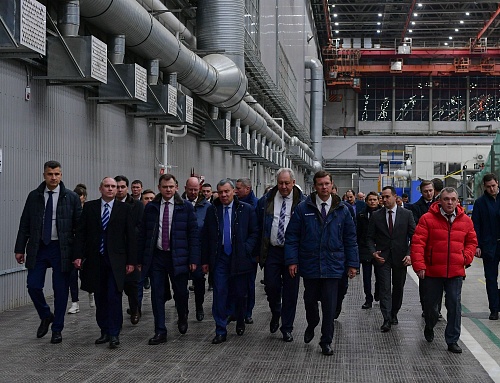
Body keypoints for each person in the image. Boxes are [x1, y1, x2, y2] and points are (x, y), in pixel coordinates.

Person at [285, 170, 359, 356]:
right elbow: (292, 236)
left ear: (332, 185)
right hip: (310, 263)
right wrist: (292, 260)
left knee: (329, 305)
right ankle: (312, 322)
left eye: (327, 184)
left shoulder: (343, 210)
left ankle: (326, 341)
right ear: (315, 186)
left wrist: (352, 264)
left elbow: (350, 239)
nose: (324, 187)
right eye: (320, 184)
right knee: (310, 301)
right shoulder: (303, 208)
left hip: (334, 265)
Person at [14, 160, 82, 344]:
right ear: (44, 175)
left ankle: (57, 329)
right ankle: (45, 314)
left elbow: (79, 228)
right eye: (50, 174)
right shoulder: (34, 196)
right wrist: (19, 248)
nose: (54, 177)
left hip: (61, 249)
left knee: (60, 290)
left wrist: (78, 254)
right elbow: (24, 223)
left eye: (57, 174)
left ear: (61, 175)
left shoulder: (71, 197)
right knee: (33, 285)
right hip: (39, 247)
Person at [411, 187, 477, 353]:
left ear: (457, 201)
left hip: (455, 272)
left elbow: (472, 241)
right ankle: (429, 324)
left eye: (453, 199)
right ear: (439, 200)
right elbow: (418, 243)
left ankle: (452, 340)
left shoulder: (465, 221)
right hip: (432, 272)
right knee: (431, 306)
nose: (449, 202)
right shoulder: (427, 219)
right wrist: (419, 266)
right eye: (446, 199)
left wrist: (465, 257)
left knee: (454, 305)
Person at [74, 177, 136, 349]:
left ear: (117, 190)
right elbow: (81, 233)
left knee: (114, 296)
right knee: (100, 297)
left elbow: (130, 236)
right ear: (100, 188)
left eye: (113, 187)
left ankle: (115, 333)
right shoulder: (90, 208)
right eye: (107, 186)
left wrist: (132, 260)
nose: (110, 189)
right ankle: (104, 331)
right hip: (96, 260)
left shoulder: (124, 209)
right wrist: (78, 255)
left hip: (116, 260)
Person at [138, 174, 199, 345]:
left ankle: (182, 315)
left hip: (178, 257)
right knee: (157, 294)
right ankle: (160, 331)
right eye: (165, 187)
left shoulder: (185, 207)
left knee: (181, 292)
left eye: (171, 187)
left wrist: (194, 259)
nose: (168, 190)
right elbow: (143, 234)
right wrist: (140, 259)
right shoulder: (151, 207)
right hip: (157, 256)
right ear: (159, 188)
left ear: (177, 187)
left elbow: (193, 235)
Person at [201, 179, 258, 344]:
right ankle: (220, 329)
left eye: (227, 191)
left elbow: (254, 232)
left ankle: (240, 318)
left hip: (239, 258)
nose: (224, 195)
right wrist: (205, 260)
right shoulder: (213, 211)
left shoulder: (246, 210)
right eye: (221, 192)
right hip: (220, 258)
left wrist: (246, 248)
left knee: (240, 293)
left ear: (234, 191)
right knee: (219, 292)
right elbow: (206, 236)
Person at [256, 168, 305, 342]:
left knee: (291, 291)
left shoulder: (303, 203)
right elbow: (258, 227)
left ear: (293, 182)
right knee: (271, 286)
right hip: (272, 251)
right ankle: (276, 311)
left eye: (286, 183)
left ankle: (287, 327)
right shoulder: (265, 201)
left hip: (293, 252)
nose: (283, 186)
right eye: (280, 183)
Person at [367, 186, 415, 332]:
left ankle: (394, 313)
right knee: (385, 288)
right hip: (383, 258)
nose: (384, 200)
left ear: (395, 197)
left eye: (387, 197)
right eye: (383, 197)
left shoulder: (406, 214)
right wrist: (373, 252)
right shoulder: (376, 215)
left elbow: (415, 237)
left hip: (400, 257)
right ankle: (386, 318)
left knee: (398, 287)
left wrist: (409, 253)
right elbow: (369, 237)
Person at [115, 175, 144, 325]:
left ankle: (135, 309)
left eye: (122, 187)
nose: (119, 190)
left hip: (131, 250)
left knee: (132, 285)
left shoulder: (137, 206)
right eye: (117, 187)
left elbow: (140, 227)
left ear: (127, 188)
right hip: (114, 250)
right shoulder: (110, 204)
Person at [472, 173, 500, 320]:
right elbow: (475, 225)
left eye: (493, 186)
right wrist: (476, 245)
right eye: (488, 187)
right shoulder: (480, 203)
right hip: (489, 246)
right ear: (484, 187)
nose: (491, 189)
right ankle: (494, 309)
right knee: (490, 278)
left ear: (498, 183)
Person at [184, 177, 211, 321]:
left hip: (199, 250)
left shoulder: (206, 207)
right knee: (180, 281)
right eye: (190, 189)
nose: (193, 192)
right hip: (182, 249)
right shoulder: (179, 204)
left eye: (195, 190)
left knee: (199, 280)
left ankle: (199, 305)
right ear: (185, 188)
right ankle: (182, 309)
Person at [410, 180, 437, 317]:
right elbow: (415, 228)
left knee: (439, 282)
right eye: (426, 191)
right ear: (421, 192)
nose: (429, 193)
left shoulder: (440, 205)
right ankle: (425, 308)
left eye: (430, 190)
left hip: (438, 248)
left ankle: (435, 309)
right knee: (425, 281)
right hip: (425, 249)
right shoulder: (415, 208)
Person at [234, 177, 259, 324]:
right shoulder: (235, 204)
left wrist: (252, 251)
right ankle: (236, 311)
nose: (236, 191)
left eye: (238, 188)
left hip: (249, 253)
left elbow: (256, 231)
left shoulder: (254, 205)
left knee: (249, 283)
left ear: (247, 189)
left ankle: (248, 311)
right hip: (236, 251)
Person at [357, 192, 382, 309]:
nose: (372, 202)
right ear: (366, 201)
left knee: (380, 275)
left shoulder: (383, 214)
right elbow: (358, 232)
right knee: (366, 277)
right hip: (365, 249)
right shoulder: (361, 215)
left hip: (379, 249)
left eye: (374, 199)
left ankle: (378, 292)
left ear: (378, 201)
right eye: (370, 200)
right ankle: (368, 298)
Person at [68, 184, 88, 314]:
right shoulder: (70, 210)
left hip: (85, 247)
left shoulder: (89, 210)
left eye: (80, 195)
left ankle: (91, 291)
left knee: (85, 274)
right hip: (72, 246)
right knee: (72, 275)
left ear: (84, 197)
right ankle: (75, 302)